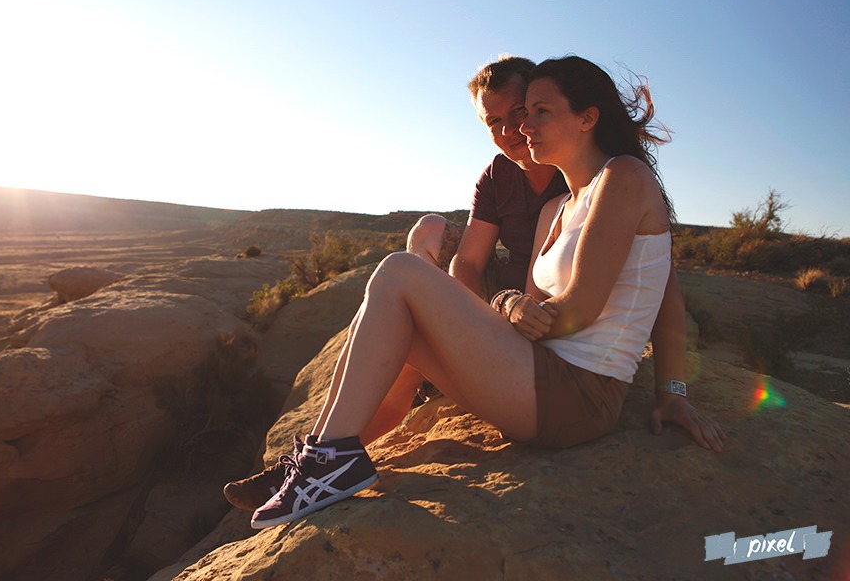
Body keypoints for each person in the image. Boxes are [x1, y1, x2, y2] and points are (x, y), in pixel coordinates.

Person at [246, 55, 725, 529]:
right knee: (403, 328)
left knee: (400, 271)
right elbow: (533, 308)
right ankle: (319, 457)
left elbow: (583, 309)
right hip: (538, 372)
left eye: (539, 112)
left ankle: (326, 460)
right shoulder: (556, 209)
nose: (523, 128)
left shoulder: (624, 178)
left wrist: (673, 393)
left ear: (587, 117)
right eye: (519, 115)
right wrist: (508, 306)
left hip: (580, 392)